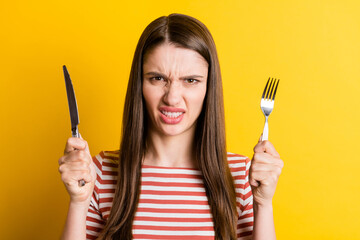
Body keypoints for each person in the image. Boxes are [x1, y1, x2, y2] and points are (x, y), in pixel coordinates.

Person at [58, 13, 284, 240]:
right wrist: (79, 202)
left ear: (208, 87)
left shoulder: (242, 176)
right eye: (157, 78)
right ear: (139, 84)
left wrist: (263, 204)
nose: (172, 98)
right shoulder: (99, 173)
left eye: (190, 80)